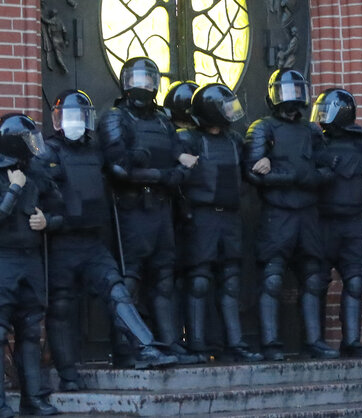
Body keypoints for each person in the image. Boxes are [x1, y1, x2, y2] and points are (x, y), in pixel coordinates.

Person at [37, 90, 178, 390]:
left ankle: (145, 346)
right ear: (58, 120)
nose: (74, 122)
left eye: (79, 116)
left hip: (92, 240)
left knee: (117, 291)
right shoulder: (48, 152)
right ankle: (68, 375)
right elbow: (38, 190)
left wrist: (134, 156)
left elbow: (118, 168)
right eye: (68, 117)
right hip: (62, 242)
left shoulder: (96, 151)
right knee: (61, 307)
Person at [97, 57, 201, 365]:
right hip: (131, 209)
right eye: (137, 80)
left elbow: (176, 156)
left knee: (164, 277)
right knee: (130, 280)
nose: (143, 86)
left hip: (161, 209)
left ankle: (168, 342)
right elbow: (117, 167)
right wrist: (162, 175)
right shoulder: (116, 118)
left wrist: (174, 173)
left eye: (148, 80)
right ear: (126, 83)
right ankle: (127, 347)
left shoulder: (161, 121)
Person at [0, 113, 59, 417]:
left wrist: (48, 221)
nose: (34, 146)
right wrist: (14, 188)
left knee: (31, 331)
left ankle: (33, 398)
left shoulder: (37, 173)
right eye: (28, 140)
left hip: (30, 259)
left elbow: (64, 209)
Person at [243, 68, 338, 360]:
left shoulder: (312, 130)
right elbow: (254, 172)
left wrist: (289, 173)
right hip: (277, 213)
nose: (293, 97)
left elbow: (326, 170)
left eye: (297, 91)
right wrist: (296, 176)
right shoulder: (262, 128)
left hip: (307, 214)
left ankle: (313, 340)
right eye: (287, 91)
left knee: (312, 277)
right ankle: (271, 342)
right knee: (272, 278)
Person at [176, 82, 264, 362]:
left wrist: (264, 165)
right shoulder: (187, 139)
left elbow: (250, 169)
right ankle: (197, 344)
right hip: (201, 217)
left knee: (230, 282)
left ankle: (234, 343)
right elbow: (167, 163)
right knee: (200, 281)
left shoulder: (234, 140)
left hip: (230, 217)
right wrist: (178, 158)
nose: (230, 112)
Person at [309, 87, 362, 357]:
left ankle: (351, 340)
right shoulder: (316, 142)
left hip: (351, 224)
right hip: (321, 222)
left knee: (354, 281)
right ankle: (315, 341)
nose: (323, 117)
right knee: (316, 281)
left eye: (329, 111)